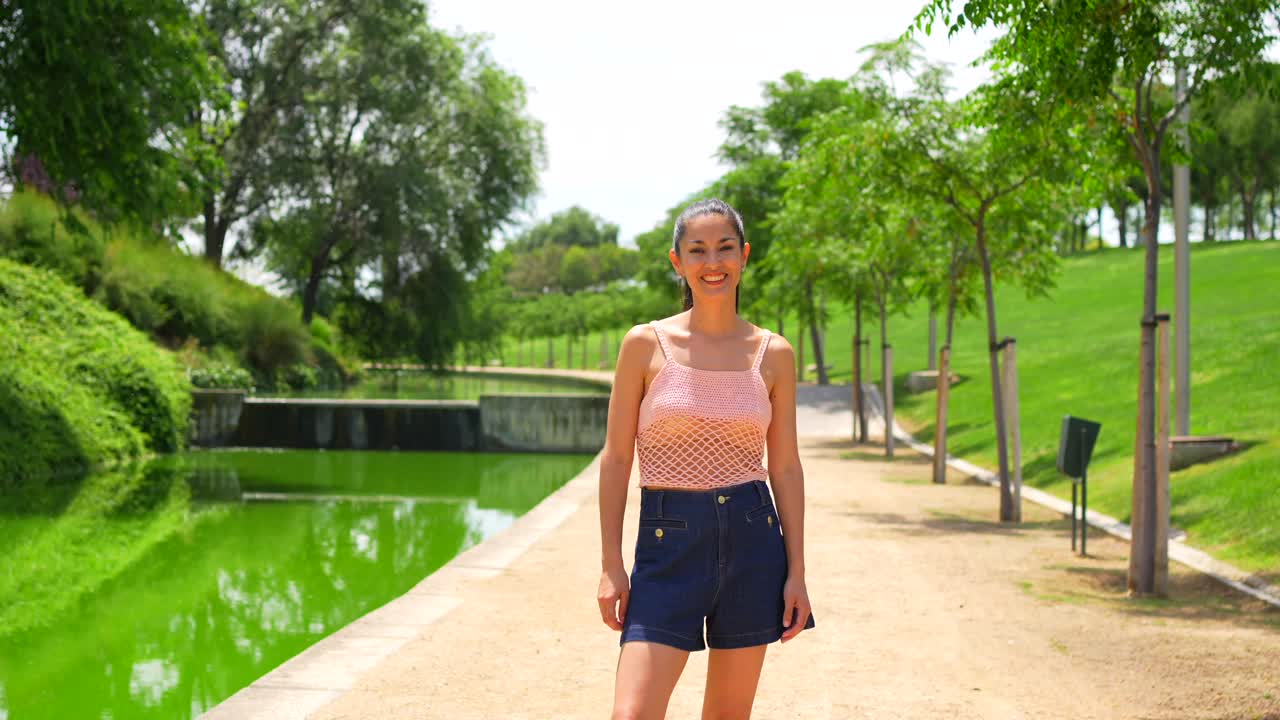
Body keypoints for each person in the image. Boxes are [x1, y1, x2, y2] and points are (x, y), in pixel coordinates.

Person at [597, 198, 815, 719]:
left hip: (753, 539)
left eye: (724, 248)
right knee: (633, 714)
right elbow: (616, 459)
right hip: (667, 543)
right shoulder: (644, 345)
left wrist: (798, 572)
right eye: (697, 250)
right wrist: (610, 566)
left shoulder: (775, 354)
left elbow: (784, 466)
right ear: (677, 261)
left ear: (744, 256)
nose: (711, 261)